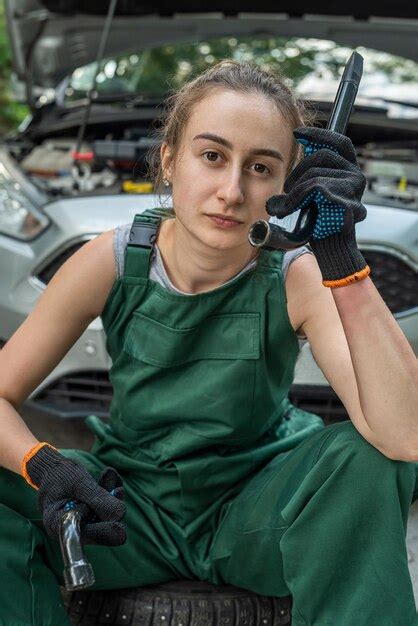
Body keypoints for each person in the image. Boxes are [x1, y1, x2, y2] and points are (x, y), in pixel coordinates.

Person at [0, 59, 417, 626]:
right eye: (213, 156)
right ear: (170, 159)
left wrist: (341, 257)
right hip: (125, 514)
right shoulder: (113, 259)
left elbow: (406, 435)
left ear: (286, 184)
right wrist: (41, 465)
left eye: (261, 167)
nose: (232, 190)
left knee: (369, 460)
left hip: (259, 519)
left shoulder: (297, 275)